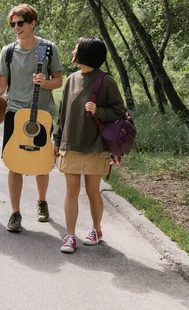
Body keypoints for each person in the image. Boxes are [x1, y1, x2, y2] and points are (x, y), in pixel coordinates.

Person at [0, 4, 63, 232]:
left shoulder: (48, 49)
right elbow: (1, 86)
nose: (16, 28)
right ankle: (15, 212)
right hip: (15, 114)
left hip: (42, 114)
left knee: (42, 163)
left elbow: (58, 80)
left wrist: (45, 83)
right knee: (14, 163)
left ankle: (41, 201)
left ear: (32, 23)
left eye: (20, 23)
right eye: (13, 24)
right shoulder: (8, 52)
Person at [52, 37, 126, 253]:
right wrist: (57, 139)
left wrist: (99, 111)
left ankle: (96, 229)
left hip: (95, 146)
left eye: (77, 47)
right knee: (71, 190)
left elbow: (119, 111)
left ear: (86, 53)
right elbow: (63, 112)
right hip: (70, 143)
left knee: (93, 190)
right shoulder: (71, 79)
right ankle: (70, 236)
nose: (73, 50)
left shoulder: (106, 81)